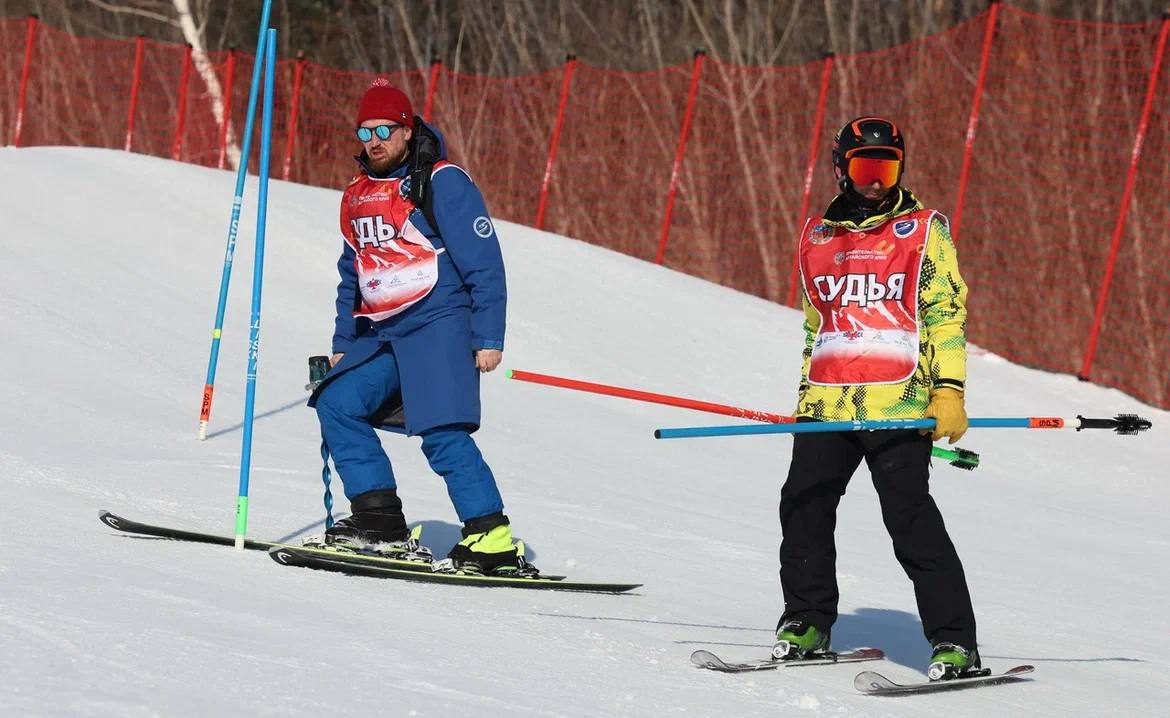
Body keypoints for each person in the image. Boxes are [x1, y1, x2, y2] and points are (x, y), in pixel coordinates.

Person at [774, 116, 979, 680]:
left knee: (909, 520)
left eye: (886, 169)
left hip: (899, 402)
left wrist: (949, 390)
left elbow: (945, 315)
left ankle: (955, 641)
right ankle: (807, 620)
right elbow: (817, 327)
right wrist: (804, 398)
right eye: (865, 167)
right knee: (803, 508)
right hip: (827, 404)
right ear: (840, 169)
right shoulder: (816, 236)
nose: (874, 181)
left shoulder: (923, 231)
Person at [306, 78, 532, 577]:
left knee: (441, 431)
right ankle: (379, 520)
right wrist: (344, 343)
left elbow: (485, 262)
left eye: (384, 130)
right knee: (337, 401)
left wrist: (487, 336)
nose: (374, 141)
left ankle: (491, 538)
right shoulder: (359, 193)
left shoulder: (443, 181)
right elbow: (353, 273)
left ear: (408, 130)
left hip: (439, 321)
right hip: (383, 331)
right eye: (365, 132)